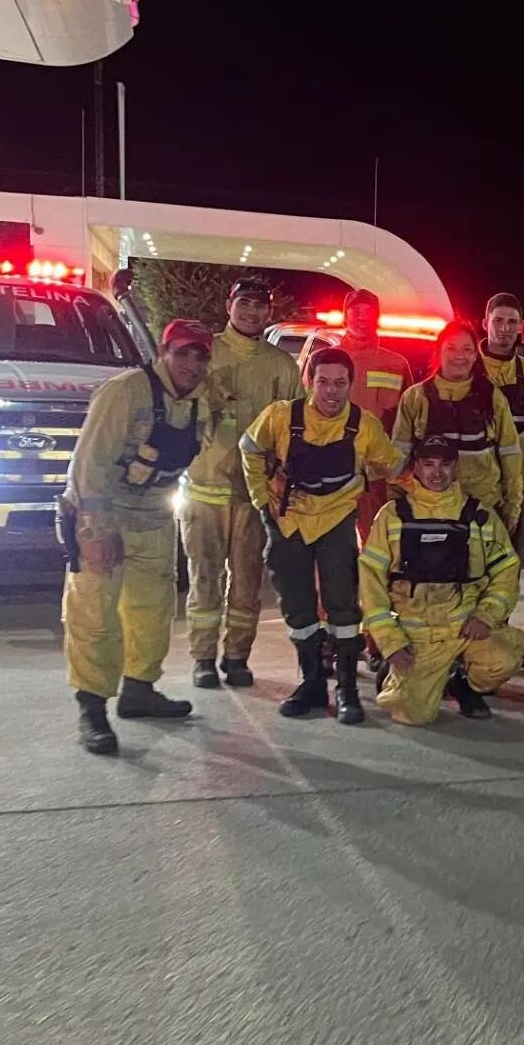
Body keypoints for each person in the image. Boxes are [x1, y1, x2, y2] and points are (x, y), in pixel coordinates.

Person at [62, 320, 213, 754]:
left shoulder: (199, 401)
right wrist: (95, 531)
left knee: (152, 609)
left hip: (153, 517)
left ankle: (139, 691)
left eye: (201, 355)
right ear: (163, 353)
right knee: (95, 614)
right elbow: (88, 463)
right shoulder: (125, 391)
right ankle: (92, 709)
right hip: (105, 515)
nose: (193, 363)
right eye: (183, 352)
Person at [241, 347, 404, 725]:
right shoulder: (281, 416)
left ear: (352, 384)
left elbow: (393, 465)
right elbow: (249, 449)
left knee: (343, 605)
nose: (332, 391)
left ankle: (346, 688)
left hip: (336, 522)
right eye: (323, 382)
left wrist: (422, 492)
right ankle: (312, 683)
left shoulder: (364, 425)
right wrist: (262, 500)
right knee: (297, 607)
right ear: (308, 381)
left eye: (340, 383)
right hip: (287, 524)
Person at [180, 278, 303, 690]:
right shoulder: (205, 352)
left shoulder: (281, 365)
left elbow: (294, 426)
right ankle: (202, 657)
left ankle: (236, 657)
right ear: (228, 304)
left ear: (269, 312)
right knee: (204, 578)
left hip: (255, 494)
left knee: (249, 581)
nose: (251, 312)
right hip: (203, 487)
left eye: (260, 306)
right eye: (244, 303)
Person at [359, 434, 524, 723]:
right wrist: (391, 643)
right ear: (416, 468)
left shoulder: (479, 515)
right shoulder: (392, 516)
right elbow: (370, 582)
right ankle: (398, 674)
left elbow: (507, 569)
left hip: (465, 627)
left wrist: (486, 616)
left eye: (445, 464)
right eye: (428, 464)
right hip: (416, 635)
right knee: (409, 713)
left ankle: (461, 680)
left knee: (503, 659)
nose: (437, 473)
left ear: (457, 468)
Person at [299, 288, 413, 543]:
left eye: (369, 312)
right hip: (327, 473)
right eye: (356, 311)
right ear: (345, 316)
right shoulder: (322, 361)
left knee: (375, 548)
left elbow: (406, 424)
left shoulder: (396, 364)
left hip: (375, 479)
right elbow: (304, 414)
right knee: (328, 546)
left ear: (378, 318)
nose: (363, 317)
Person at [393, 321, 524, 532]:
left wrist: (513, 505)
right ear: (439, 352)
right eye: (451, 349)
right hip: (429, 511)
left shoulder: (492, 398)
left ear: (475, 355)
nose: (459, 356)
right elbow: (399, 454)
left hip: (482, 509)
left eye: (467, 350)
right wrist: (397, 501)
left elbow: (511, 454)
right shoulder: (415, 397)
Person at [478, 292, 524, 536]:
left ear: (521, 327)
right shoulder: (468, 368)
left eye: (512, 322)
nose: (505, 328)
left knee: (510, 562)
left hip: (519, 484)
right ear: (486, 323)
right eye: (498, 321)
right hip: (475, 485)